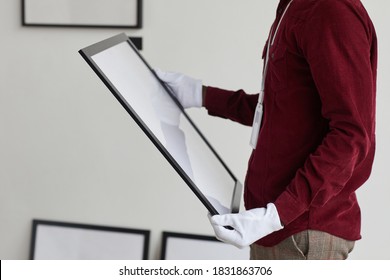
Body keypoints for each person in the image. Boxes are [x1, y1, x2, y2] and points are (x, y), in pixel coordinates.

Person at [156, 0, 377, 260]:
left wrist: (276, 215)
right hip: (275, 227)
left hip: (301, 231)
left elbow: (352, 134)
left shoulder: (331, 9)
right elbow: (281, 111)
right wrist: (201, 95)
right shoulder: (292, 6)